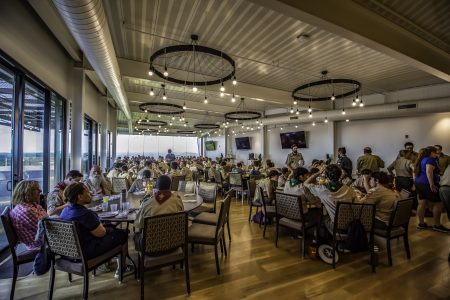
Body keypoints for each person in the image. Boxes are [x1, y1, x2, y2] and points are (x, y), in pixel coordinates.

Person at [60, 183, 131, 277]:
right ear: (80, 196)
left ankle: (109, 262)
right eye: (87, 191)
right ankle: (122, 268)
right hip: (86, 252)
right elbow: (101, 233)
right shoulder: (86, 214)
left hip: (68, 252)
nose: (90, 193)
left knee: (112, 231)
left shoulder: (65, 211)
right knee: (122, 234)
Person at [305, 164, 358, 232]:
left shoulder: (322, 190)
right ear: (340, 175)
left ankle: (324, 238)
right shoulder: (350, 190)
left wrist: (319, 172)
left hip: (335, 225)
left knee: (322, 216)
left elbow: (305, 183)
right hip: (351, 225)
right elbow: (357, 205)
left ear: (326, 176)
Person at [413, 146, 450, 232]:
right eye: (436, 152)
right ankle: (437, 225)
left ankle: (421, 223)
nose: (437, 154)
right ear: (432, 152)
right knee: (439, 203)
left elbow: (415, 172)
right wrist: (432, 184)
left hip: (419, 183)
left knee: (422, 203)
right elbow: (429, 171)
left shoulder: (421, 159)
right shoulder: (430, 159)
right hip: (427, 183)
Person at [9, 180, 48, 250]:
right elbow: (46, 226)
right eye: (36, 189)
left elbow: (46, 218)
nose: (40, 190)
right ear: (27, 193)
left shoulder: (30, 205)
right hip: (37, 244)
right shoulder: (27, 211)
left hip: (41, 236)